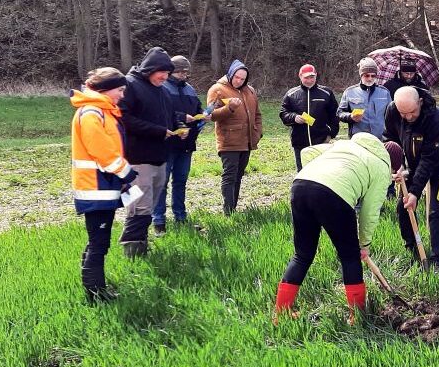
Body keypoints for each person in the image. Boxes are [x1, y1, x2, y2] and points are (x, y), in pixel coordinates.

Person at [274, 134, 405, 323]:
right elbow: (370, 212)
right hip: (334, 195)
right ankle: (357, 317)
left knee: (302, 255)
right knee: (350, 257)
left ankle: (280, 313)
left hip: (301, 185)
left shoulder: (346, 145)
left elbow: (307, 152)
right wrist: (364, 244)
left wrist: (317, 176)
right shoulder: (381, 168)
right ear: (392, 164)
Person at [70, 68, 137, 303]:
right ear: (106, 88)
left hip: (102, 185)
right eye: (119, 90)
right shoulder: (91, 113)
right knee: (99, 243)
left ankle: (94, 287)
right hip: (94, 187)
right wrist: (126, 172)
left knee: (97, 241)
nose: (121, 95)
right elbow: (102, 151)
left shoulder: (102, 111)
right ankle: (95, 293)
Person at [384, 86, 439, 274]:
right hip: (411, 164)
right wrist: (395, 163)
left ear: (420, 103)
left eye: (412, 112)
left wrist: (416, 192)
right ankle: (413, 249)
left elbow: (429, 160)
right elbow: (390, 139)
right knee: (404, 207)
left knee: (437, 210)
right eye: (403, 113)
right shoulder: (392, 111)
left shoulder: (436, 119)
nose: (408, 117)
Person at [118, 46, 181, 257]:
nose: (165, 76)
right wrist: (159, 131)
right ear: (149, 69)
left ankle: (142, 244)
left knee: (150, 206)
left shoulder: (162, 90)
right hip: (137, 159)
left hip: (159, 157)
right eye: (162, 72)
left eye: (168, 73)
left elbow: (167, 116)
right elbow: (124, 119)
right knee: (138, 207)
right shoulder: (130, 85)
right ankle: (133, 254)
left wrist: (179, 124)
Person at [153, 55, 203, 234]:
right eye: (180, 71)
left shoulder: (190, 89)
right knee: (162, 182)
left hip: (187, 144)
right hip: (167, 144)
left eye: (186, 71)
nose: (183, 74)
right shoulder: (162, 88)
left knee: (181, 181)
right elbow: (162, 114)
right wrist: (182, 119)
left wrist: (202, 116)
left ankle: (180, 216)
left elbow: (198, 109)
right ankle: (159, 220)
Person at [207, 59, 263, 215]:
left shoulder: (250, 90)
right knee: (230, 176)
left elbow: (258, 114)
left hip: (247, 141)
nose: (239, 81)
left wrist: (258, 133)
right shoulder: (217, 89)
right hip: (229, 141)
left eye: (243, 79)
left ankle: (234, 208)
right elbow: (211, 115)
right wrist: (229, 108)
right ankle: (228, 212)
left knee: (239, 175)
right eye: (237, 77)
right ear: (231, 74)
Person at [279, 63, 340, 171]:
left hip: (321, 141)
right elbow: (283, 113)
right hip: (300, 141)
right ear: (300, 76)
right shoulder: (291, 94)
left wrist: (331, 134)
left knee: (321, 172)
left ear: (316, 76)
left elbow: (334, 115)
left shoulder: (326, 93)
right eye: (306, 77)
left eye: (312, 77)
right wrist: (294, 117)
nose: (310, 80)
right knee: (303, 173)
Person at [338, 57, 392, 139]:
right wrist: (350, 117)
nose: (370, 78)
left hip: (380, 139)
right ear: (361, 75)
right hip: (358, 139)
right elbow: (340, 113)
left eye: (373, 76)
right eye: (367, 75)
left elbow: (391, 116)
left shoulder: (385, 92)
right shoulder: (350, 92)